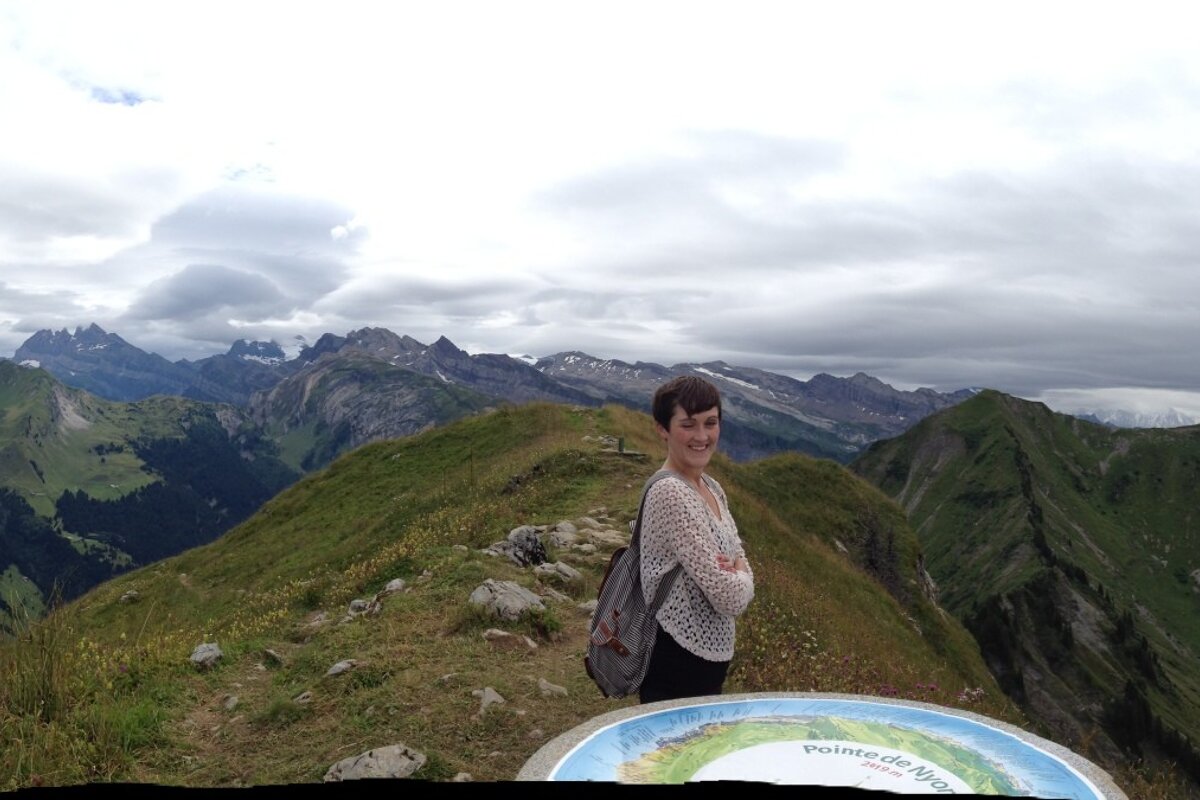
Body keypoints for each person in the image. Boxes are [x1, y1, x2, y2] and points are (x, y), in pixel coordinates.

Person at [638, 375, 754, 703]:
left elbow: (738, 551)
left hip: (708, 660)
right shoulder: (671, 493)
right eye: (688, 425)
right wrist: (741, 573)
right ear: (662, 429)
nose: (702, 436)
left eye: (711, 423)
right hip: (675, 663)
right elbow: (730, 598)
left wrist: (737, 567)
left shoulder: (711, 487)